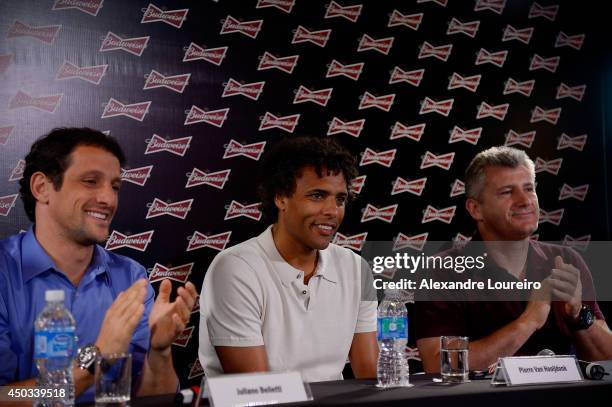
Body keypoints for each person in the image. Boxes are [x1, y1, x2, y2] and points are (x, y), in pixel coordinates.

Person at [0, 128, 198, 402]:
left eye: (115, 186)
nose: (108, 199)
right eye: (91, 181)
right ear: (42, 188)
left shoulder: (130, 277)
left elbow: (153, 399)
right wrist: (95, 357)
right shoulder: (3, 273)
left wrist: (160, 352)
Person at [415, 146, 612, 372]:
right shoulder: (443, 271)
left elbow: (608, 361)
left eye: (529, 188)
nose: (524, 200)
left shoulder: (566, 260)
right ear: (476, 208)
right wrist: (527, 322)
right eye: (507, 192)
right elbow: (438, 364)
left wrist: (579, 316)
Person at [198, 136, 378, 381]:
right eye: (317, 196)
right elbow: (257, 389)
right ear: (281, 197)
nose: (332, 211)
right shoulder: (235, 269)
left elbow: (370, 376)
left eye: (340, 199)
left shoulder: (356, 269)